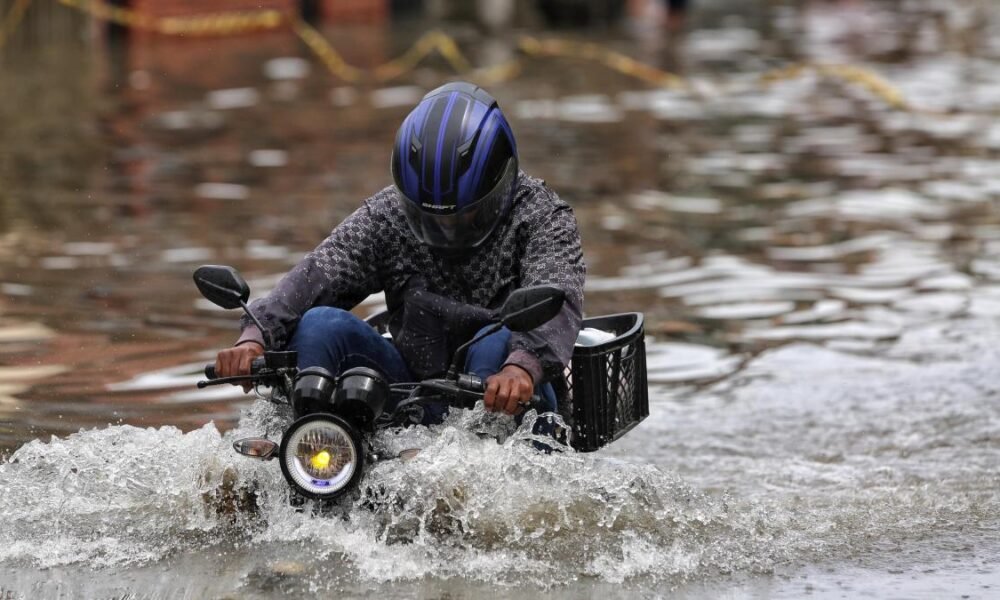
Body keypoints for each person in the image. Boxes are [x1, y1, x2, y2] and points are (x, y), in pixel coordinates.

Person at [214, 81, 585, 427]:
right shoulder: (387, 216)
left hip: (507, 388)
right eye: (431, 218)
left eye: (465, 215)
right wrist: (255, 336)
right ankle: (313, 448)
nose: (447, 229)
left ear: (501, 182)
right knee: (321, 324)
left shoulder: (541, 216)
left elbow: (558, 295)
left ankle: (486, 460)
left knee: (494, 340)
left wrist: (521, 367)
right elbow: (319, 273)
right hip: (409, 385)